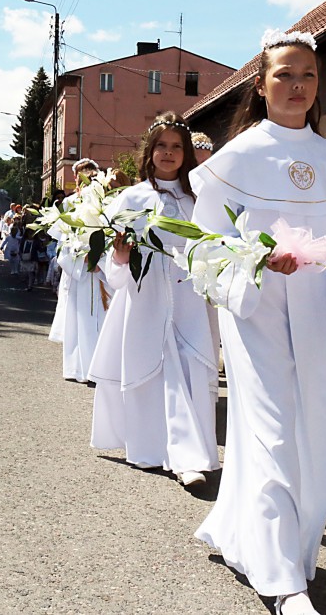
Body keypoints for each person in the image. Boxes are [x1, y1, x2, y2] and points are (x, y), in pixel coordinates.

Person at [189, 29, 326, 615]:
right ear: (262, 85)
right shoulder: (235, 160)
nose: (297, 86)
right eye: (284, 75)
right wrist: (255, 259)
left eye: (308, 76)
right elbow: (204, 246)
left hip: (317, 312)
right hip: (259, 309)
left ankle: (274, 540)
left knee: (314, 429)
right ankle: (281, 581)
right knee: (270, 429)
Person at [88, 112, 219, 487]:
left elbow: (211, 245)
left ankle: (190, 456)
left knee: (189, 371)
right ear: (150, 151)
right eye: (161, 145)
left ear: (186, 154)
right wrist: (120, 254)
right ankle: (153, 447)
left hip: (190, 299)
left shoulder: (199, 198)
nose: (168, 153)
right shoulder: (132, 197)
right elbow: (111, 262)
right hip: (146, 300)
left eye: (177, 147)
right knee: (155, 369)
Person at [48, 158, 109, 383]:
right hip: (79, 270)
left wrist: (100, 257)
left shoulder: (106, 203)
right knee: (79, 319)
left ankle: (100, 367)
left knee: (101, 318)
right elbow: (62, 240)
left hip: (101, 269)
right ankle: (77, 368)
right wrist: (79, 257)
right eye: (83, 177)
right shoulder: (69, 204)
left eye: (92, 177)